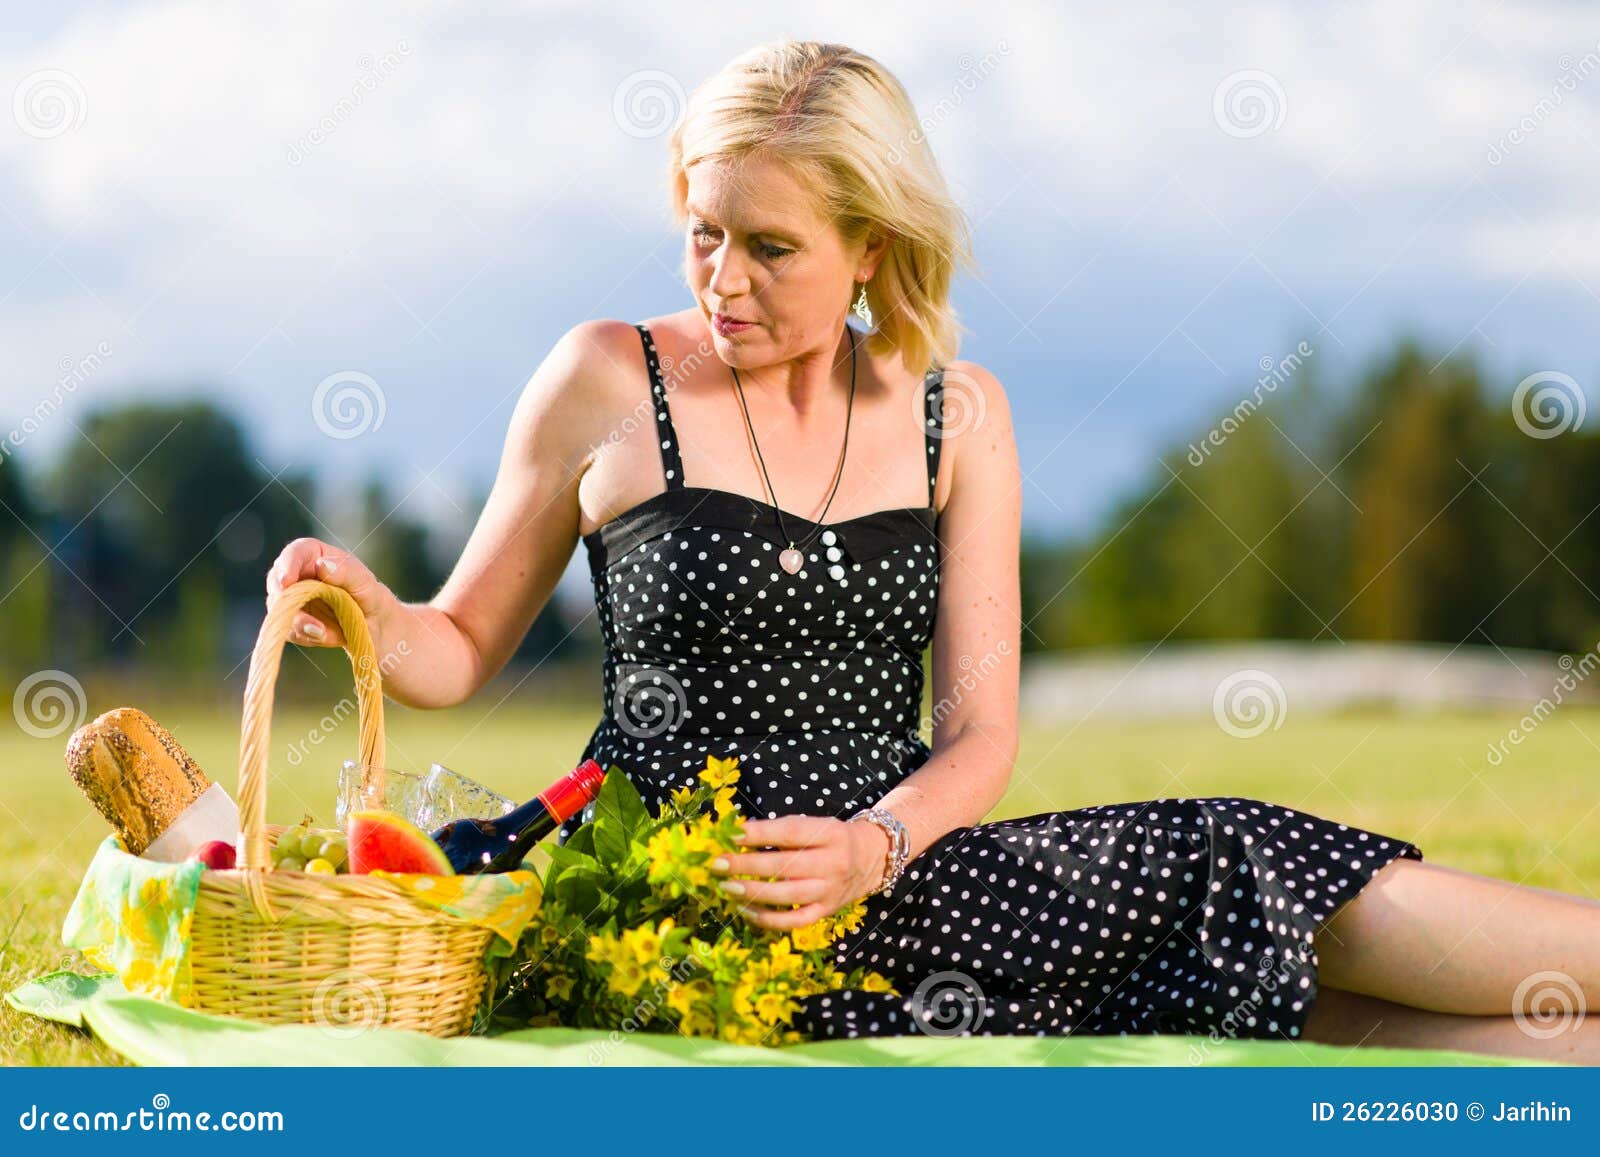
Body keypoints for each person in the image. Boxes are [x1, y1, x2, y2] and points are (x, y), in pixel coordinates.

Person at [266, 40, 1598, 1063]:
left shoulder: (963, 414)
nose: (722, 278)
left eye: (770, 247)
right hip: (674, 913)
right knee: (1244, 988)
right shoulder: (608, 378)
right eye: (704, 229)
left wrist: (872, 846)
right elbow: (457, 645)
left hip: (918, 878)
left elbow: (982, 735)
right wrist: (374, 608)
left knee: (1245, 890)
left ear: (873, 248)